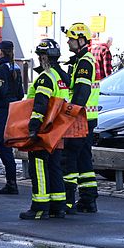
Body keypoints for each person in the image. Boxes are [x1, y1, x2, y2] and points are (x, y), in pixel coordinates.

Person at [21, 38, 69, 220]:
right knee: (55, 167)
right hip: (58, 130)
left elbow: (40, 105)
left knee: (39, 168)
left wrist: (33, 128)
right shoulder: (61, 78)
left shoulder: (45, 77)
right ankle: (58, 207)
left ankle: (39, 207)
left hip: (44, 129)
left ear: (43, 57)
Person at [62, 23, 100, 213]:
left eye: (71, 39)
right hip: (87, 118)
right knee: (84, 160)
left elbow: (81, 92)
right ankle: (88, 199)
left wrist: (70, 113)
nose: (68, 42)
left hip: (80, 118)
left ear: (81, 40)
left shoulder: (85, 62)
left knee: (70, 158)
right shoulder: (80, 61)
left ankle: (67, 202)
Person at [0, 40, 24, 194]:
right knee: (5, 148)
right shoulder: (16, 67)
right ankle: (12, 183)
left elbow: (0, 91)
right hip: (13, 111)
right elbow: (21, 93)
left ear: (1, 52)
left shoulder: (1, 69)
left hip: (1, 111)